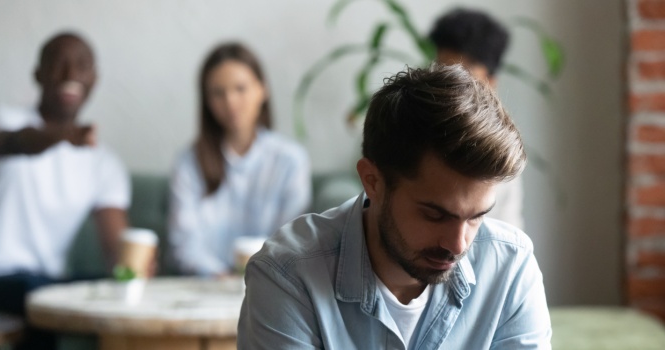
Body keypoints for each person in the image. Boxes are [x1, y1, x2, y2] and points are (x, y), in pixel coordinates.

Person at [238, 65, 551, 349]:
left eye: (477, 217)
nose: (458, 244)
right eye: (435, 214)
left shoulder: (510, 268)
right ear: (373, 181)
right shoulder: (289, 276)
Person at [0, 32, 130, 350]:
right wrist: (65, 136)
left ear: (94, 78)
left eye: (81, 65)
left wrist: (130, 265)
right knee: (38, 297)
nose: (70, 73)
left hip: (48, 284)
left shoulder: (104, 163)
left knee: (90, 293)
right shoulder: (3, 122)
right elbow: (14, 143)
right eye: (58, 63)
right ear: (38, 74)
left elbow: (114, 242)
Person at [169, 42, 311, 277]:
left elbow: (292, 239)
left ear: (262, 89)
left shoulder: (290, 160)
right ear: (206, 101)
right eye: (218, 93)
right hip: (205, 285)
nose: (230, 102)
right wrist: (219, 275)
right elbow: (183, 243)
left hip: (272, 285)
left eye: (240, 88)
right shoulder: (189, 161)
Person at [429, 7, 526, 229]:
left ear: (490, 82)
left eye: (464, 77)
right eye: (442, 73)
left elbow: (509, 232)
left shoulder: (502, 149)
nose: (450, 87)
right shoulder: (414, 128)